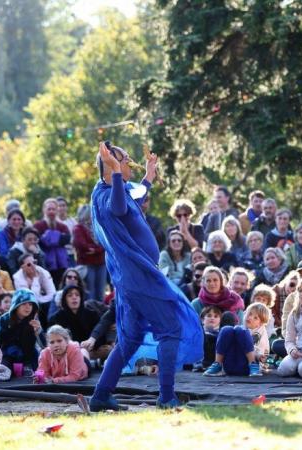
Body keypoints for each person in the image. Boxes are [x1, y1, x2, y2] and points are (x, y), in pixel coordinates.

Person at [89, 142, 202, 411]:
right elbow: (117, 207)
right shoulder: (105, 195)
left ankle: (101, 395)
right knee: (170, 329)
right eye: (125, 160)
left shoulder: (121, 189)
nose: (130, 163)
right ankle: (165, 396)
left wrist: (148, 175)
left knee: (130, 337)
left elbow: (133, 197)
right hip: (138, 279)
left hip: (133, 280)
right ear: (111, 166)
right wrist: (116, 171)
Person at [204, 302, 270, 377]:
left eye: (255, 318)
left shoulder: (260, 333)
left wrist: (260, 357)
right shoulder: (241, 329)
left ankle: (253, 364)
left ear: (260, 323)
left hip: (247, 367)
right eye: (249, 314)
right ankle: (217, 364)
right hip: (230, 365)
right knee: (227, 329)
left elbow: (262, 353)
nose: (250, 317)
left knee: (240, 329)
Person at [0, 289, 45, 375]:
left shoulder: (34, 320)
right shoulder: (4, 319)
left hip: (29, 355)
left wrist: (38, 332)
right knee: (4, 373)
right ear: (16, 305)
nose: (28, 307)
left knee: (36, 374)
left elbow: (44, 345)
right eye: (24, 303)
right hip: (8, 355)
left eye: (30, 304)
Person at [48, 286, 102, 352]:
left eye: (77, 295)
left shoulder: (92, 314)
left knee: (107, 349)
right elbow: (53, 341)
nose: (74, 297)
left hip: (92, 350)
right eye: (70, 295)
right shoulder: (56, 318)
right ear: (65, 299)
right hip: (67, 352)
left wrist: (91, 344)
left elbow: (100, 336)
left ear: (81, 298)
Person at [34, 198, 71, 286]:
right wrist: (58, 237)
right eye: (49, 209)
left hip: (61, 264)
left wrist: (48, 236)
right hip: (45, 263)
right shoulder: (38, 225)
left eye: (53, 209)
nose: (51, 212)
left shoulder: (62, 226)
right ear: (44, 210)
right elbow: (41, 242)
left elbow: (67, 239)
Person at [73, 205, 107, 302]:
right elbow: (82, 245)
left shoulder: (98, 227)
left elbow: (105, 243)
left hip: (101, 263)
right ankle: (91, 313)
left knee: (101, 292)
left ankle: (100, 313)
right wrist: (98, 249)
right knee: (90, 292)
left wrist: (95, 250)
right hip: (87, 264)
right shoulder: (78, 228)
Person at [12, 254, 56, 327]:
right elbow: (31, 298)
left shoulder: (43, 272)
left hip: (44, 302)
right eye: (29, 264)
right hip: (27, 305)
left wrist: (40, 298)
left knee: (52, 303)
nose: (33, 266)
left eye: (34, 262)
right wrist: (35, 278)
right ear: (22, 267)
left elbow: (52, 294)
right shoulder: (18, 278)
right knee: (36, 307)